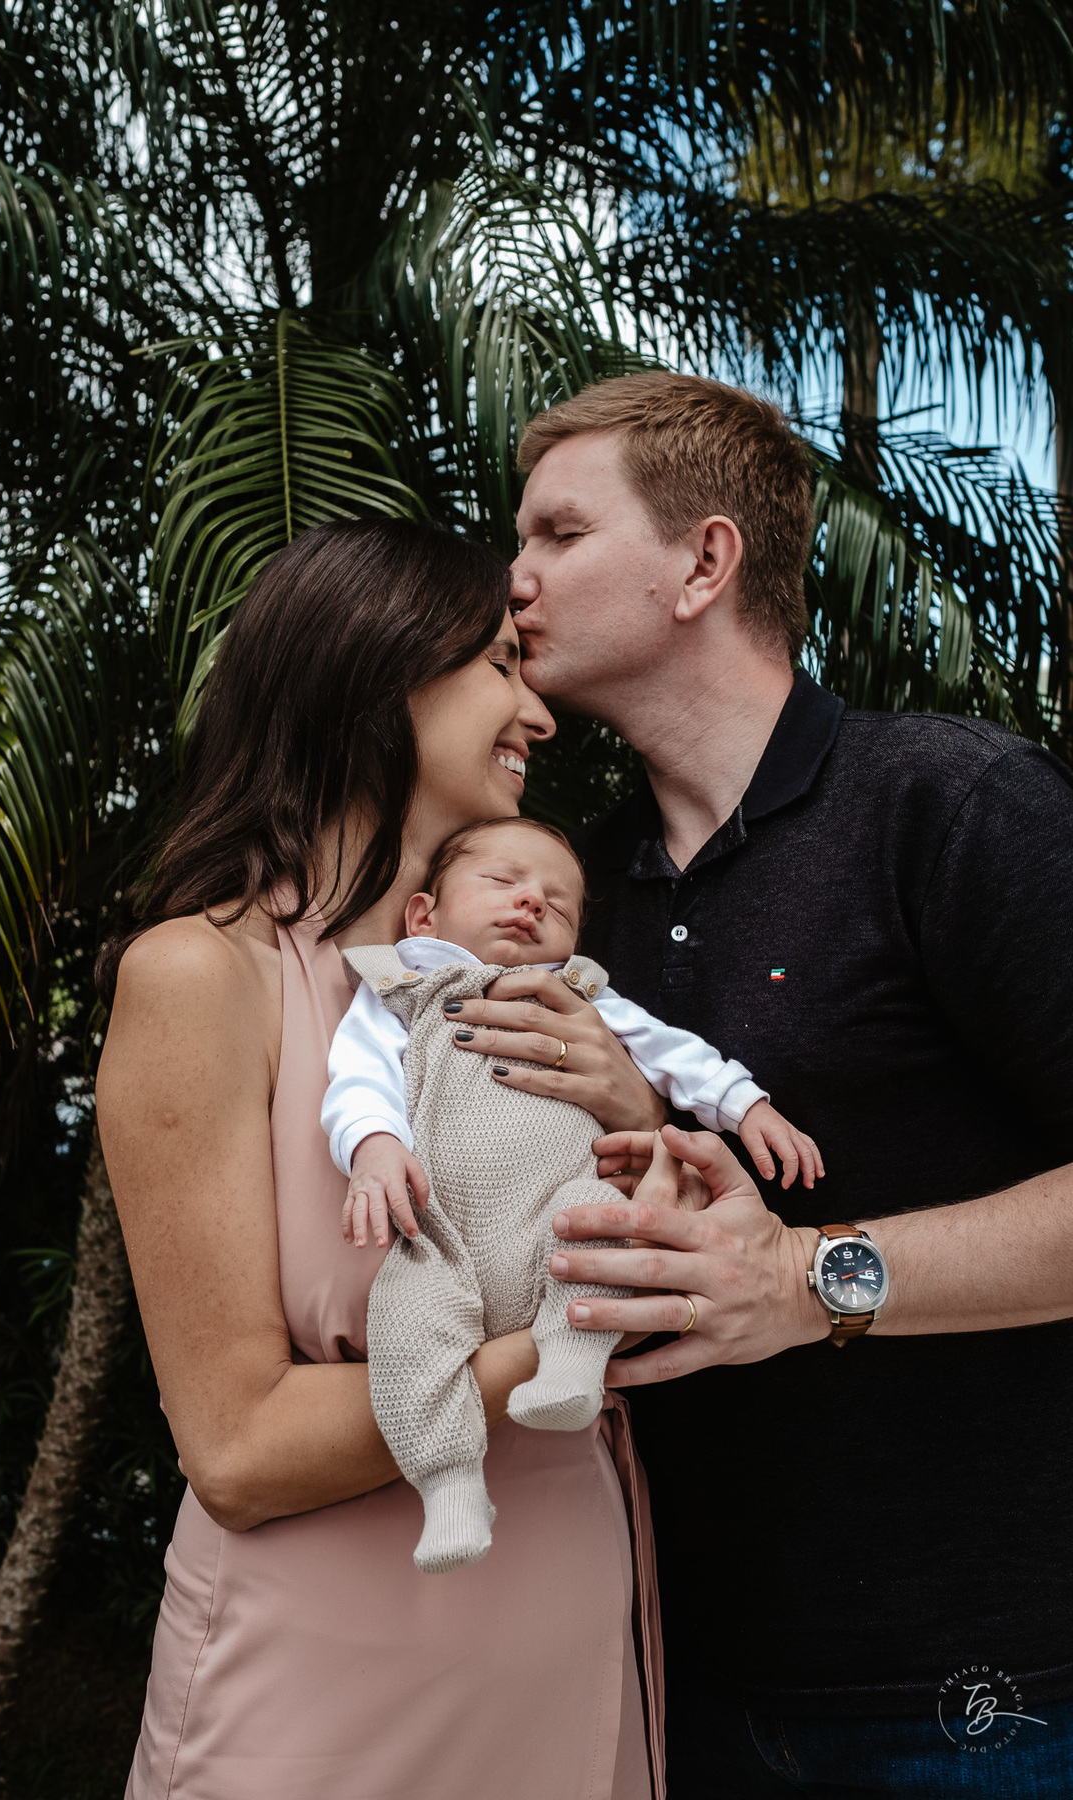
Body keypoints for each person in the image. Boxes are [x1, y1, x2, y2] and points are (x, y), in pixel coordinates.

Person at [442, 371, 1073, 1797]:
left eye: (557, 533)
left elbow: (778, 1270)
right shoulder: (564, 889)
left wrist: (810, 1279)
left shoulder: (952, 807)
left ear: (704, 563)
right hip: (675, 1683)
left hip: (987, 1703)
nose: (514, 579)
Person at [94, 519, 670, 1800]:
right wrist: (564, 1341)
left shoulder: (550, 991)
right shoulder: (203, 975)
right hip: (325, 1701)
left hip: (572, 1656)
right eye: (502, 666)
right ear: (381, 671)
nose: (542, 712)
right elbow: (236, 1451)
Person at [323, 815, 820, 1573]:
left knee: (604, 1228)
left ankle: (569, 1370)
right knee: (403, 1323)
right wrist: (373, 1146)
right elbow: (357, 1075)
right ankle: (450, 1485)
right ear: (425, 915)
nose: (530, 904)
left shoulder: (575, 997)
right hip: (442, 1235)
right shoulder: (405, 990)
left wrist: (745, 1104)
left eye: (557, 904)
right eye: (502, 882)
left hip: (560, 1205)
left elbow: (668, 1051)